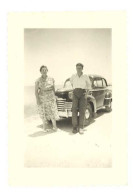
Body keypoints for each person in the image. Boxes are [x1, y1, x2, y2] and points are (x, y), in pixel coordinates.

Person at [35, 65, 59, 131]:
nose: (44, 71)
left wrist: (55, 96)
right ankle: (45, 128)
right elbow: (36, 91)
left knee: (52, 112)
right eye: (43, 70)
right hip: (42, 99)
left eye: (45, 70)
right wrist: (38, 100)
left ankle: (55, 127)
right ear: (40, 71)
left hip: (51, 98)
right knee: (43, 112)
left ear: (47, 71)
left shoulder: (51, 79)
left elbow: (53, 89)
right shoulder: (38, 80)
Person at [70, 63, 91, 134]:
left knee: (82, 111)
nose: (78, 69)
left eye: (80, 68)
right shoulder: (73, 76)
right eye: (77, 68)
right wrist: (74, 91)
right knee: (74, 110)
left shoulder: (85, 76)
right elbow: (72, 83)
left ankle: (81, 127)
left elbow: (89, 85)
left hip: (83, 94)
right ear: (75, 68)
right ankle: (74, 128)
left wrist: (86, 94)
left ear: (82, 69)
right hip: (75, 93)